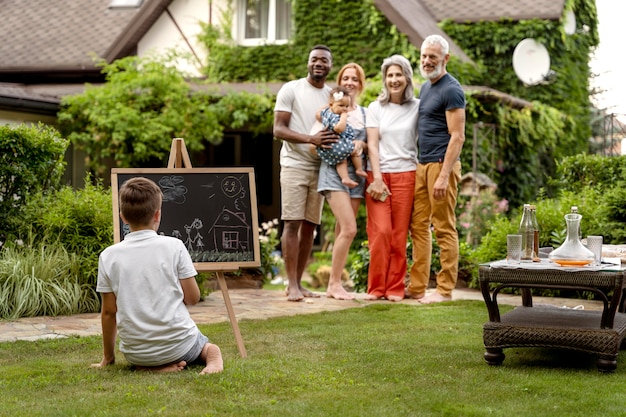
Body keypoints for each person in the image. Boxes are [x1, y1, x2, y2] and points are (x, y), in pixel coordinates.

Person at [92, 177, 223, 374]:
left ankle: (150, 366)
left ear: (123, 217)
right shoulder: (174, 246)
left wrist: (108, 358)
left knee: (144, 356)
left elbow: (109, 312)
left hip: (136, 353)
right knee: (209, 348)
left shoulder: (108, 256)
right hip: (180, 346)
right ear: (158, 214)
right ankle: (213, 363)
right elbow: (193, 298)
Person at [273, 45, 338, 302]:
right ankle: (291, 285)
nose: (319, 63)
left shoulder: (332, 95)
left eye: (324, 60)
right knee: (292, 223)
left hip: (320, 168)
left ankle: (298, 283)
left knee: (310, 226)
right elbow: (278, 129)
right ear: (308, 63)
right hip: (294, 164)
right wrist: (311, 139)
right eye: (314, 59)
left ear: (330, 66)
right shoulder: (291, 89)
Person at [407, 34, 466, 304]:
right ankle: (417, 286)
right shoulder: (425, 87)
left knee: (443, 227)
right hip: (422, 163)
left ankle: (444, 290)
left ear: (445, 58)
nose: (427, 61)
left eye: (432, 56)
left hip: (442, 165)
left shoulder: (451, 89)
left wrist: (444, 175)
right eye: (423, 56)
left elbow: (458, 136)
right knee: (418, 226)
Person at [364, 55, 419, 302]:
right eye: (390, 75)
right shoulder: (375, 108)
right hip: (378, 175)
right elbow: (372, 145)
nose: (394, 80)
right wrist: (376, 178)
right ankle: (376, 288)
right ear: (384, 79)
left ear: (407, 78)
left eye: (399, 75)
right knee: (381, 232)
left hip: (407, 174)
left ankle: (395, 287)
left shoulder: (417, 106)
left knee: (398, 235)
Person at [317, 62, 368, 300]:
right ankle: (334, 284)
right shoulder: (330, 109)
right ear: (340, 82)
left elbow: (371, 144)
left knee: (341, 230)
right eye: (346, 78)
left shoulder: (365, 113)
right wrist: (333, 146)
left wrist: (361, 144)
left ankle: (335, 282)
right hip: (334, 172)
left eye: (355, 79)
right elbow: (315, 140)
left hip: (356, 176)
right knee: (349, 228)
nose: (350, 82)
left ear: (360, 84)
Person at [312, 86, 367, 189]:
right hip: (337, 144)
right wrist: (344, 117)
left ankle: (345, 178)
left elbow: (318, 114)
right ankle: (359, 169)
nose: (344, 109)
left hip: (335, 146)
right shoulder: (334, 116)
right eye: (341, 105)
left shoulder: (326, 112)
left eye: (346, 106)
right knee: (354, 151)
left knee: (341, 160)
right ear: (331, 105)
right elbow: (339, 129)